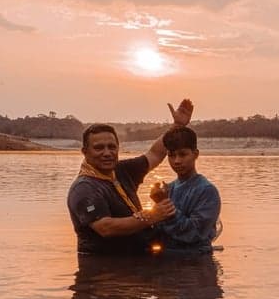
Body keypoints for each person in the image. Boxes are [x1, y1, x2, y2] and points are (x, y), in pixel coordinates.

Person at [67, 99, 194, 255]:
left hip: (137, 259)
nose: (107, 153)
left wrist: (177, 126)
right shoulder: (84, 188)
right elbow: (105, 227)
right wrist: (152, 216)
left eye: (112, 147)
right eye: (99, 148)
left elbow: (154, 154)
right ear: (84, 152)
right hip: (102, 269)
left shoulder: (121, 170)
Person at [154, 126, 222, 254]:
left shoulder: (207, 191)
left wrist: (166, 205)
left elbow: (193, 233)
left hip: (196, 263)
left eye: (183, 154)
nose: (177, 161)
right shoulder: (169, 188)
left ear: (195, 154)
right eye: (171, 155)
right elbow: (159, 231)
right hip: (168, 261)